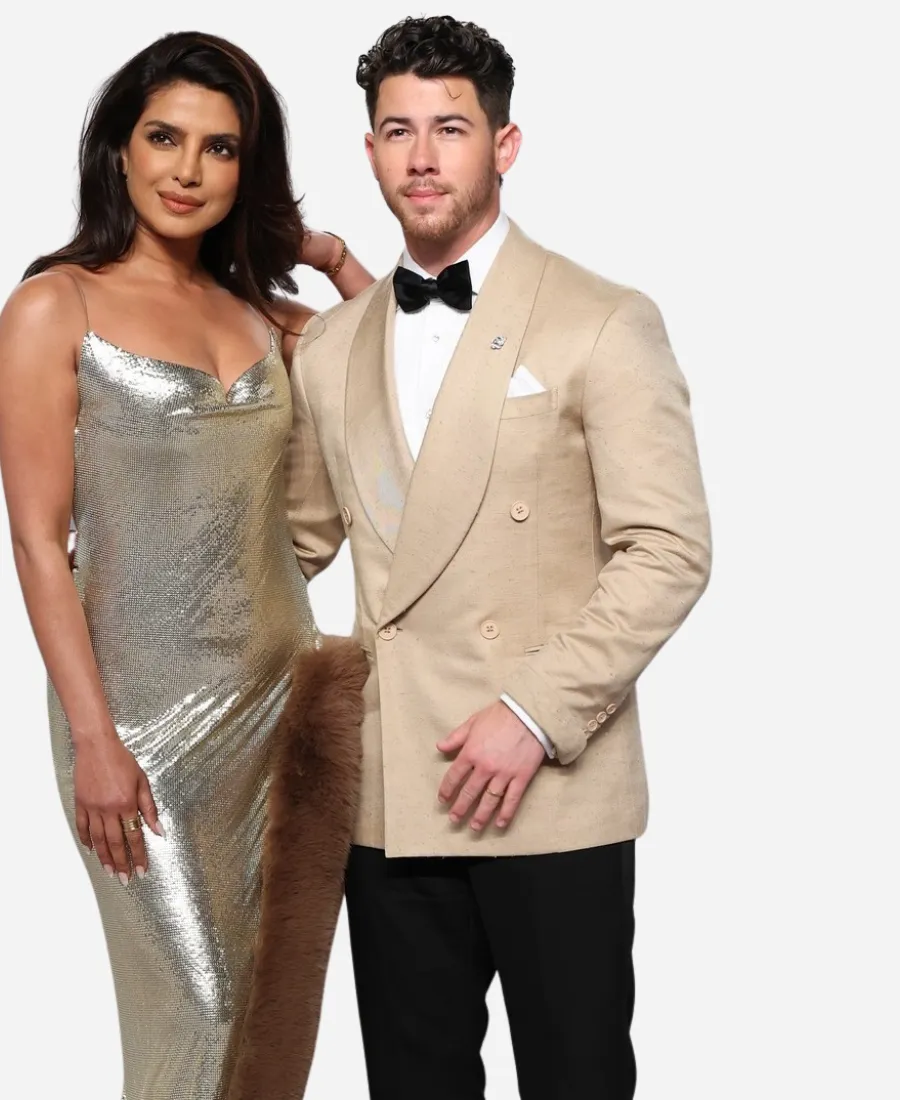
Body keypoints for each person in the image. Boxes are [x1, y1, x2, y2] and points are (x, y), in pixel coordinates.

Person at [284, 15, 712, 1100]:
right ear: (371, 151)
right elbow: (298, 541)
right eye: (397, 131)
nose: (422, 156)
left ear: (504, 145)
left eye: (451, 128)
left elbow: (668, 547)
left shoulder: (603, 318)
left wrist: (533, 711)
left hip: (552, 786)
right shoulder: (330, 346)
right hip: (394, 792)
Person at [0, 31, 374, 1100]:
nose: (187, 170)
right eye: (164, 138)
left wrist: (328, 255)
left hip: (281, 704)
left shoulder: (269, 318)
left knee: (268, 1016)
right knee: (198, 1015)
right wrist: (94, 739)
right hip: (137, 723)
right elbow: (36, 539)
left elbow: (396, 374)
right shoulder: (55, 305)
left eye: (220, 149)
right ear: (118, 149)